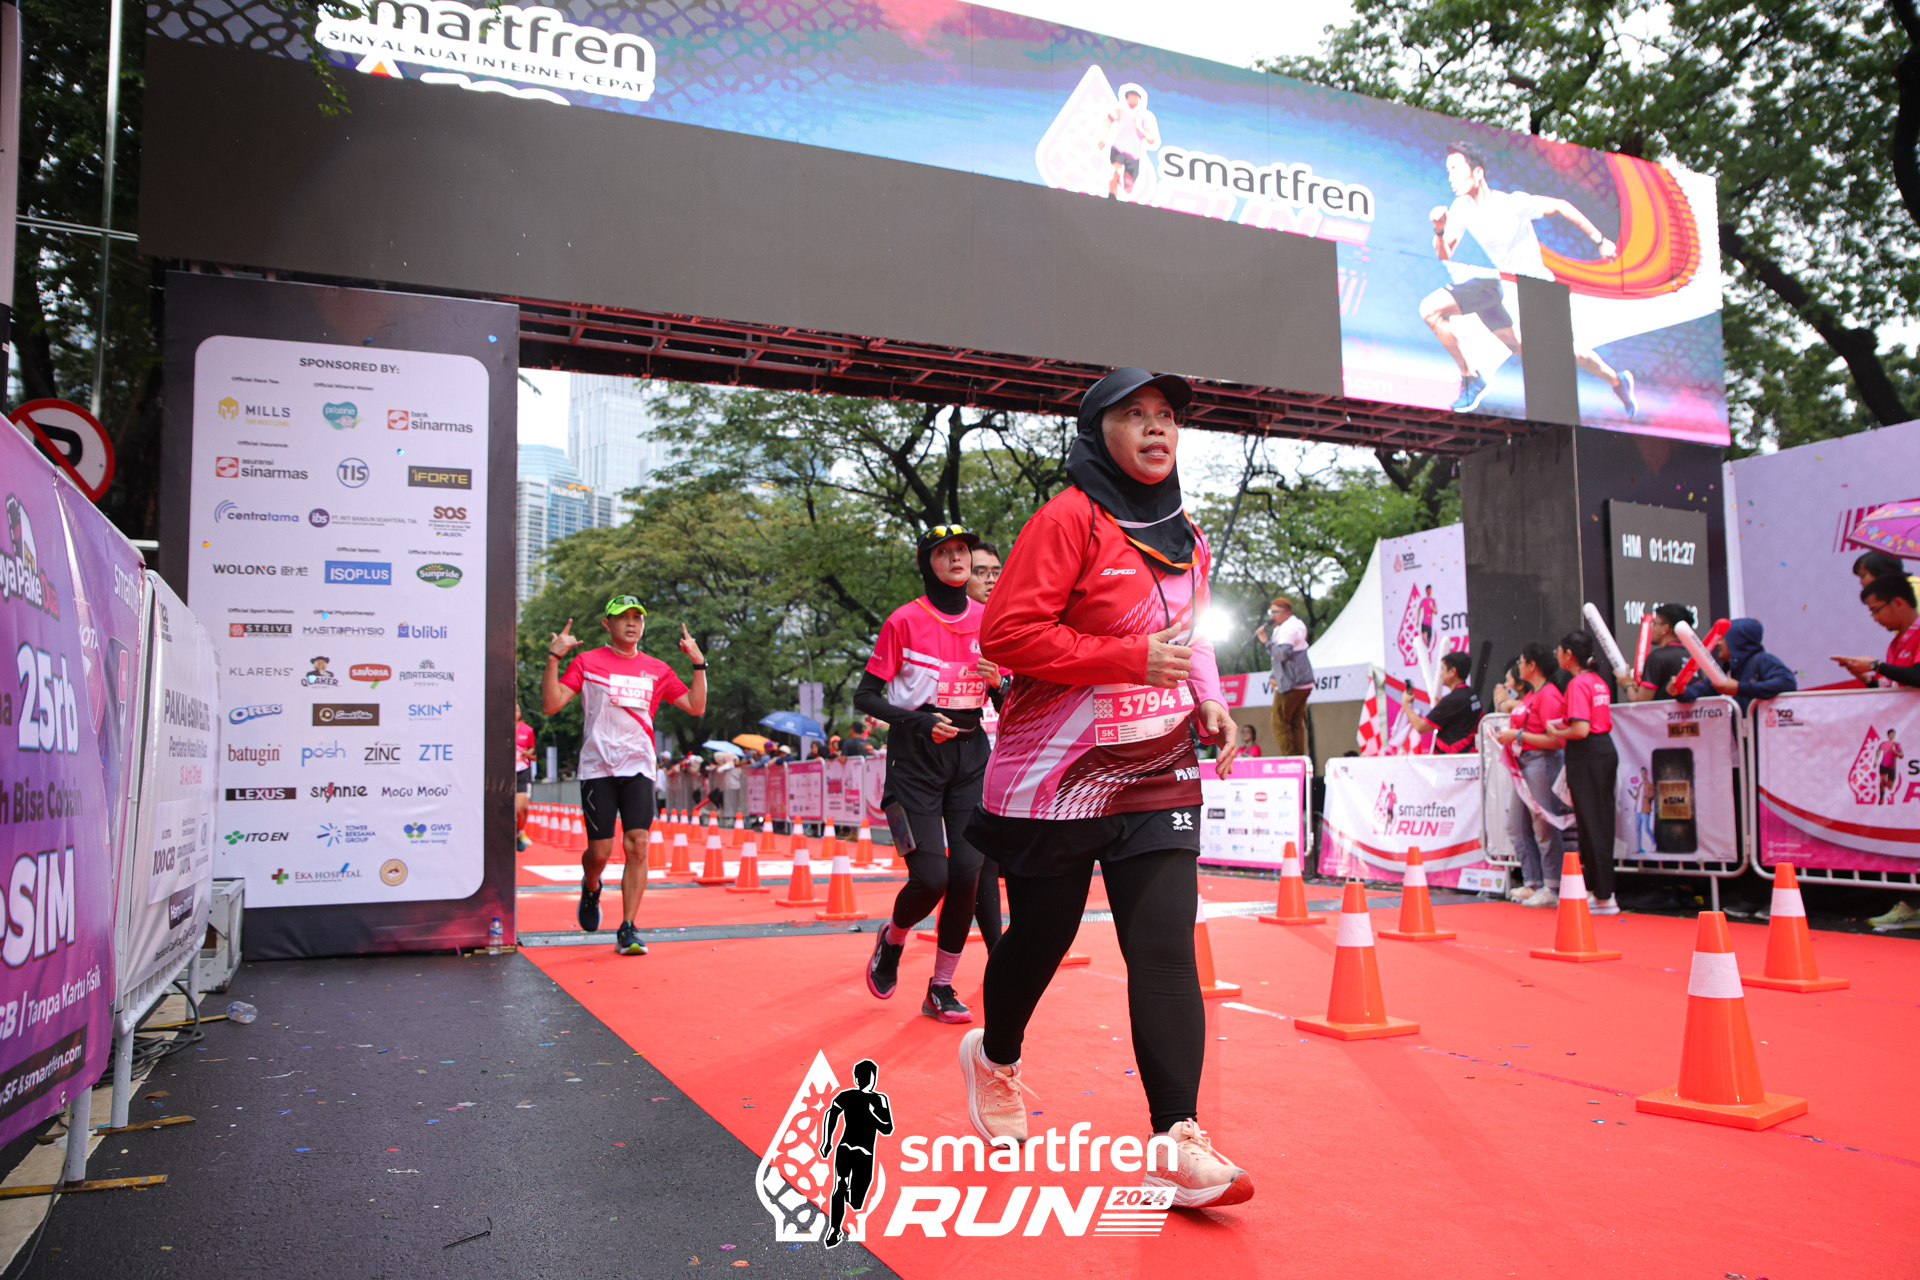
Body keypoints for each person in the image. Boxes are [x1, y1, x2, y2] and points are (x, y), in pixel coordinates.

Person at [959, 367, 1251, 1209]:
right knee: (1041, 938)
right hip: (1055, 777)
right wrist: (1126, 657)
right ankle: (995, 1057)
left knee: (1163, 948)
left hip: (1158, 769)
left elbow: (1191, 636)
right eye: (1136, 415)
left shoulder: (1188, 537)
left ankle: (1177, 1140)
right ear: (1098, 433)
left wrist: (1209, 697)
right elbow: (1006, 633)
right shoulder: (1067, 520)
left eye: (1167, 416)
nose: (1158, 428)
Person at [854, 524, 995, 1024]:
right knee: (932, 876)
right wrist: (918, 721)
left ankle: (941, 987)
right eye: (944, 552)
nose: (957, 558)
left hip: (970, 756)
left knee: (967, 874)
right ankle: (892, 938)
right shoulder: (904, 620)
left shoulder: (989, 619)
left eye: (962, 550)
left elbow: (1006, 699)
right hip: (913, 759)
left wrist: (1002, 685)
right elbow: (865, 696)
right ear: (926, 563)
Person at [1422, 141, 1638, 416]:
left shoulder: (1512, 204)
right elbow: (1445, 253)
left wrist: (1600, 240)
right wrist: (1439, 230)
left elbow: (1561, 206)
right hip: (1510, 291)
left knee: (1572, 354)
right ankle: (1473, 379)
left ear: (1478, 173)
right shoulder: (1461, 207)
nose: (1451, 177)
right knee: (1520, 350)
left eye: (1456, 169)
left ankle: (1618, 381)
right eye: (1448, 170)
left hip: (1539, 291)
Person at [543, 596, 708, 956]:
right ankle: (591, 886)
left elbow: (696, 706)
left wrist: (699, 664)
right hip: (598, 767)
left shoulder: (657, 669)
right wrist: (554, 658)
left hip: (638, 766)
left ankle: (628, 927)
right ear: (607, 624)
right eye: (623, 617)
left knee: (638, 844)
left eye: (638, 617)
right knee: (599, 853)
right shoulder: (587, 662)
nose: (632, 623)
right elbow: (552, 704)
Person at [1546, 630, 1620, 915]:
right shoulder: (1597, 681)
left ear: (1569, 654)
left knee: (1592, 824)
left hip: (1588, 753)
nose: (1556, 655)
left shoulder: (1578, 683)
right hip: (1600, 751)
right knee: (1596, 823)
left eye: (1559, 650)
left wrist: (1555, 730)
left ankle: (1603, 895)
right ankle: (1600, 892)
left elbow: (1581, 729)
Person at [1493, 644, 1570, 906]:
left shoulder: (1549, 695)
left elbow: (1555, 740)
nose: (1519, 666)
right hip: (1523, 763)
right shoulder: (1532, 694)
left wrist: (1517, 736)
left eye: (1522, 662)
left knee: (1544, 825)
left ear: (1532, 665)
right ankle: (1532, 881)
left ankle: (1553, 886)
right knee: (1516, 825)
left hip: (1541, 761)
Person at [966, 539, 1011, 953]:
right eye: (981, 572)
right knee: (979, 862)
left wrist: (1001, 683)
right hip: (969, 761)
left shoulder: (1016, 625)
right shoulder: (949, 629)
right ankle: (996, 951)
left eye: (996, 572)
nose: (990, 580)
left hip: (1019, 760)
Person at [815, 1059, 893, 1250]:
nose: (868, 1080)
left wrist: (871, 1116)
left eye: (870, 1076)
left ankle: (849, 1197)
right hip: (848, 1148)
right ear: (858, 1078)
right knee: (840, 1185)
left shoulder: (879, 1099)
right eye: (865, 1076)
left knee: (856, 1200)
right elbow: (831, 1114)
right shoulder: (847, 1096)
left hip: (861, 1152)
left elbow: (887, 1128)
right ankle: (835, 1229)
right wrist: (827, 1141)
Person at [1678, 618, 1797, 711]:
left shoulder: (1763, 660)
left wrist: (1739, 688)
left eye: (1724, 638)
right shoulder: (1727, 670)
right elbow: (1702, 690)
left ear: (1737, 641)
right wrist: (1681, 691)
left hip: (1762, 734)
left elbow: (1787, 682)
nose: (1719, 643)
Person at [1833, 576, 1920, 689]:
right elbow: (1894, 691)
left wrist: (1874, 665)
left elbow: (1918, 676)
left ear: (1898, 603)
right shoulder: (1896, 643)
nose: (1875, 618)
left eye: (1876, 610)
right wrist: (1865, 678)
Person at [1256, 596, 1314, 757]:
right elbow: (1278, 656)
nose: (1272, 616)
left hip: (1291, 682)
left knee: (1279, 722)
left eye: (1276, 612)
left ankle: (1290, 758)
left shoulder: (1289, 628)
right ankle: (1299, 758)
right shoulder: (1289, 625)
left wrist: (1265, 641)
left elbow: (1282, 654)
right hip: (1302, 681)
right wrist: (1274, 674)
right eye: (1271, 612)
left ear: (1287, 613)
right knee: (1295, 722)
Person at [1401, 650, 1482, 752]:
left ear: (1452, 671)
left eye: (1442, 669)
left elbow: (1420, 726)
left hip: (1452, 758)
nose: (1440, 674)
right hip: (1468, 753)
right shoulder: (1472, 694)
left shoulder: (1452, 700)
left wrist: (1405, 704)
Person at [1626, 603, 1694, 702]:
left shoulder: (1657, 657)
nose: (1652, 628)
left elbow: (1641, 703)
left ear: (1665, 628)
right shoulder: (1693, 657)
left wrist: (1627, 684)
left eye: (1654, 624)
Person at [1102, 83, 1159, 201]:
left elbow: (1151, 139)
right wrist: (1103, 138)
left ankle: (1122, 196)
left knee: (1128, 186)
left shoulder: (1144, 117)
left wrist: (1139, 127)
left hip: (1134, 155)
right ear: (1127, 98)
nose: (1133, 99)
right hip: (1118, 149)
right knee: (1114, 172)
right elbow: (1107, 122)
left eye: (1136, 97)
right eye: (1131, 97)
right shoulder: (1120, 111)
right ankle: (1111, 196)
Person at [514, 701, 535, 852]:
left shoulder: (527, 730)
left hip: (522, 770)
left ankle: (519, 831)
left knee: (521, 808)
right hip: (504, 773)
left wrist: (528, 753)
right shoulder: (499, 729)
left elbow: (532, 750)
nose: (515, 712)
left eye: (517, 710)